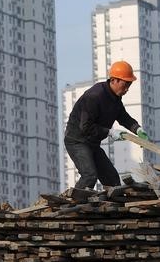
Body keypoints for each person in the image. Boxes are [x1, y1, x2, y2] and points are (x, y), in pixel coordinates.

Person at [64, 60, 149, 190]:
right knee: (89, 176)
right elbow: (85, 127)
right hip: (77, 141)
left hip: (92, 143)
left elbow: (123, 117)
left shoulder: (115, 99)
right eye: (125, 84)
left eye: (129, 85)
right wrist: (110, 132)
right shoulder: (94, 96)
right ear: (114, 80)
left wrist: (138, 129)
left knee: (112, 180)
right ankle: (72, 204)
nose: (127, 89)